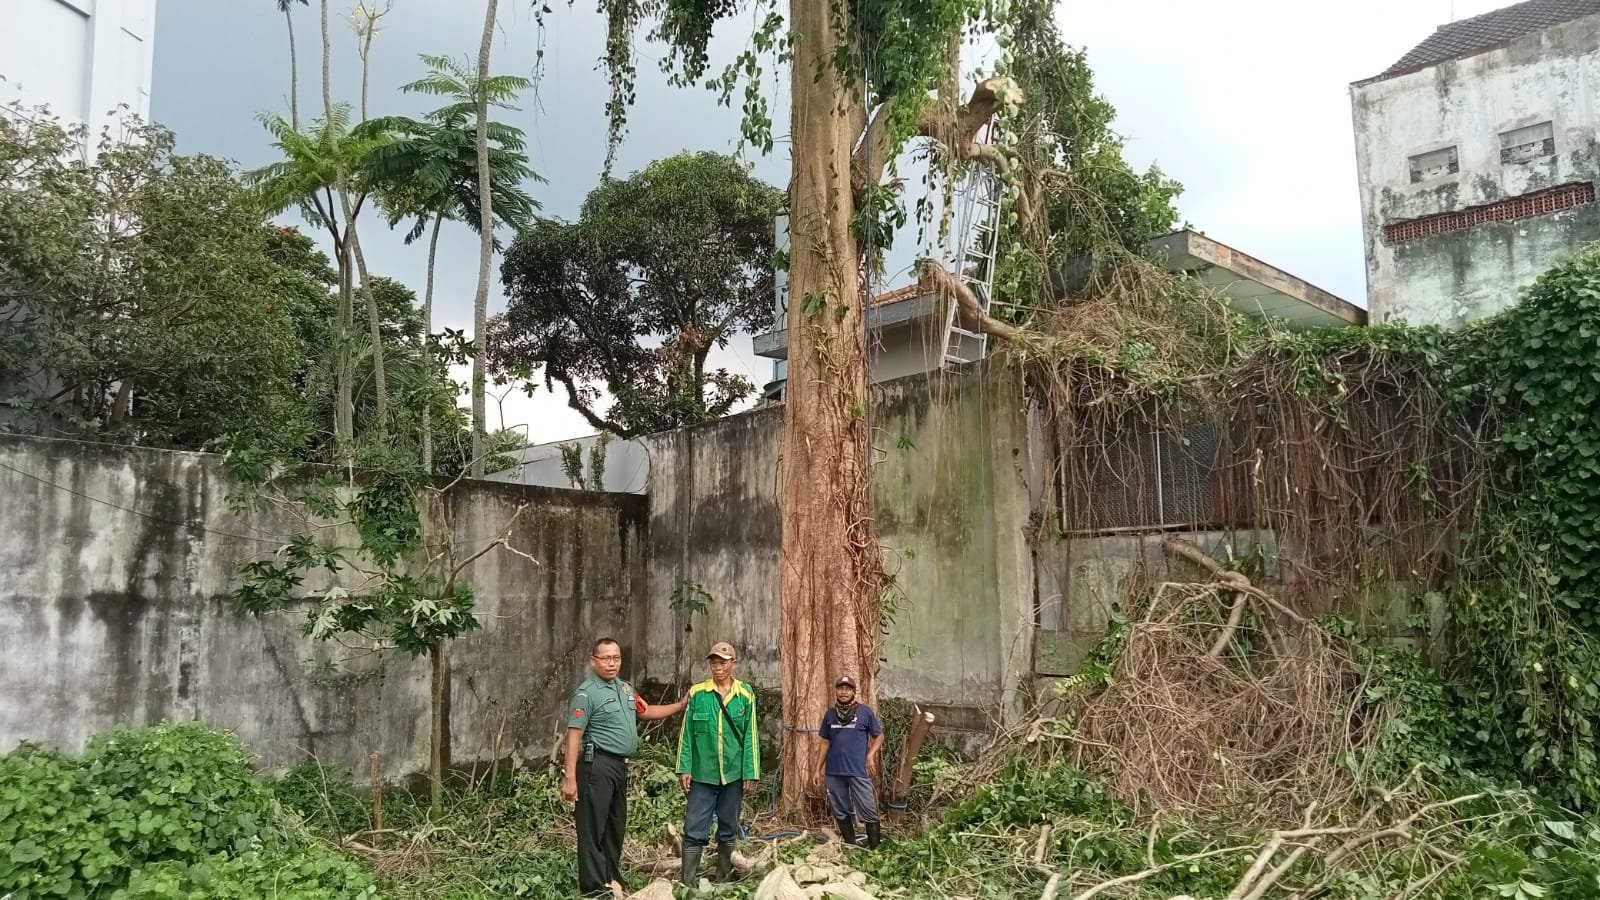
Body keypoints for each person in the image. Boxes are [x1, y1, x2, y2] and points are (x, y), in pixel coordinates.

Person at [563, 637, 687, 897]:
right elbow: (573, 735)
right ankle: (595, 889)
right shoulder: (587, 693)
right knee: (593, 829)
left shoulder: (625, 690)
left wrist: (680, 705)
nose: (612, 663)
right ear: (593, 661)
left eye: (616, 658)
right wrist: (570, 778)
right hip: (595, 765)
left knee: (615, 826)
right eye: (606, 658)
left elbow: (645, 711)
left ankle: (611, 880)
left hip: (618, 767)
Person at [676, 641, 760, 885]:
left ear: (733, 663)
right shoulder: (698, 693)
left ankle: (723, 876)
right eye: (714, 661)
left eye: (723, 662)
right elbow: (687, 734)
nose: (717, 666)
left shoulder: (745, 694)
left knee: (728, 825)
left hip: (733, 774)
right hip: (703, 774)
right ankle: (688, 882)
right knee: (694, 826)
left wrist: (750, 771)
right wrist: (684, 767)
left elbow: (750, 735)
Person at [816, 674, 884, 849]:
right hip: (834, 772)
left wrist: (870, 756)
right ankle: (850, 844)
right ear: (836, 691)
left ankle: (875, 848)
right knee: (840, 809)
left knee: (868, 808)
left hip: (857, 771)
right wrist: (818, 769)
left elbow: (879, 736)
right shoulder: (830, 715)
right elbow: (825, 742)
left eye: (847, 689)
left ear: (853, 692)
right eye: (840, 688)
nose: (844, 692)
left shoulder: (865, 712)